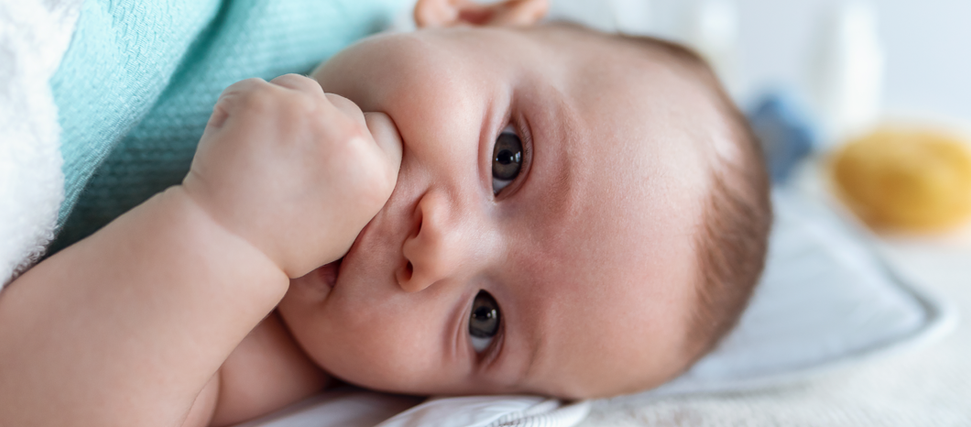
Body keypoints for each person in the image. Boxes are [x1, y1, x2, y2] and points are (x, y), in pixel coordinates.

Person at [0, 0, 771, 425]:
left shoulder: (269, 339)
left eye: (484, 321)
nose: (438, 248)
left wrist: (227, 233)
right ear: (475, 17)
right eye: (508, 158)